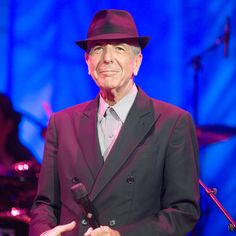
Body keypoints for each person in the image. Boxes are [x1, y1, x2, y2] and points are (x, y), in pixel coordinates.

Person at [29, 9, 200, 236]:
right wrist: (43, 232)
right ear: (88, 63)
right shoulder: (62, 123)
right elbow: (45, 204)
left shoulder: (172, 123)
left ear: (137, 62)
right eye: (98, 49)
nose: (107, 58)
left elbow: (183, 211)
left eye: (119, 48)